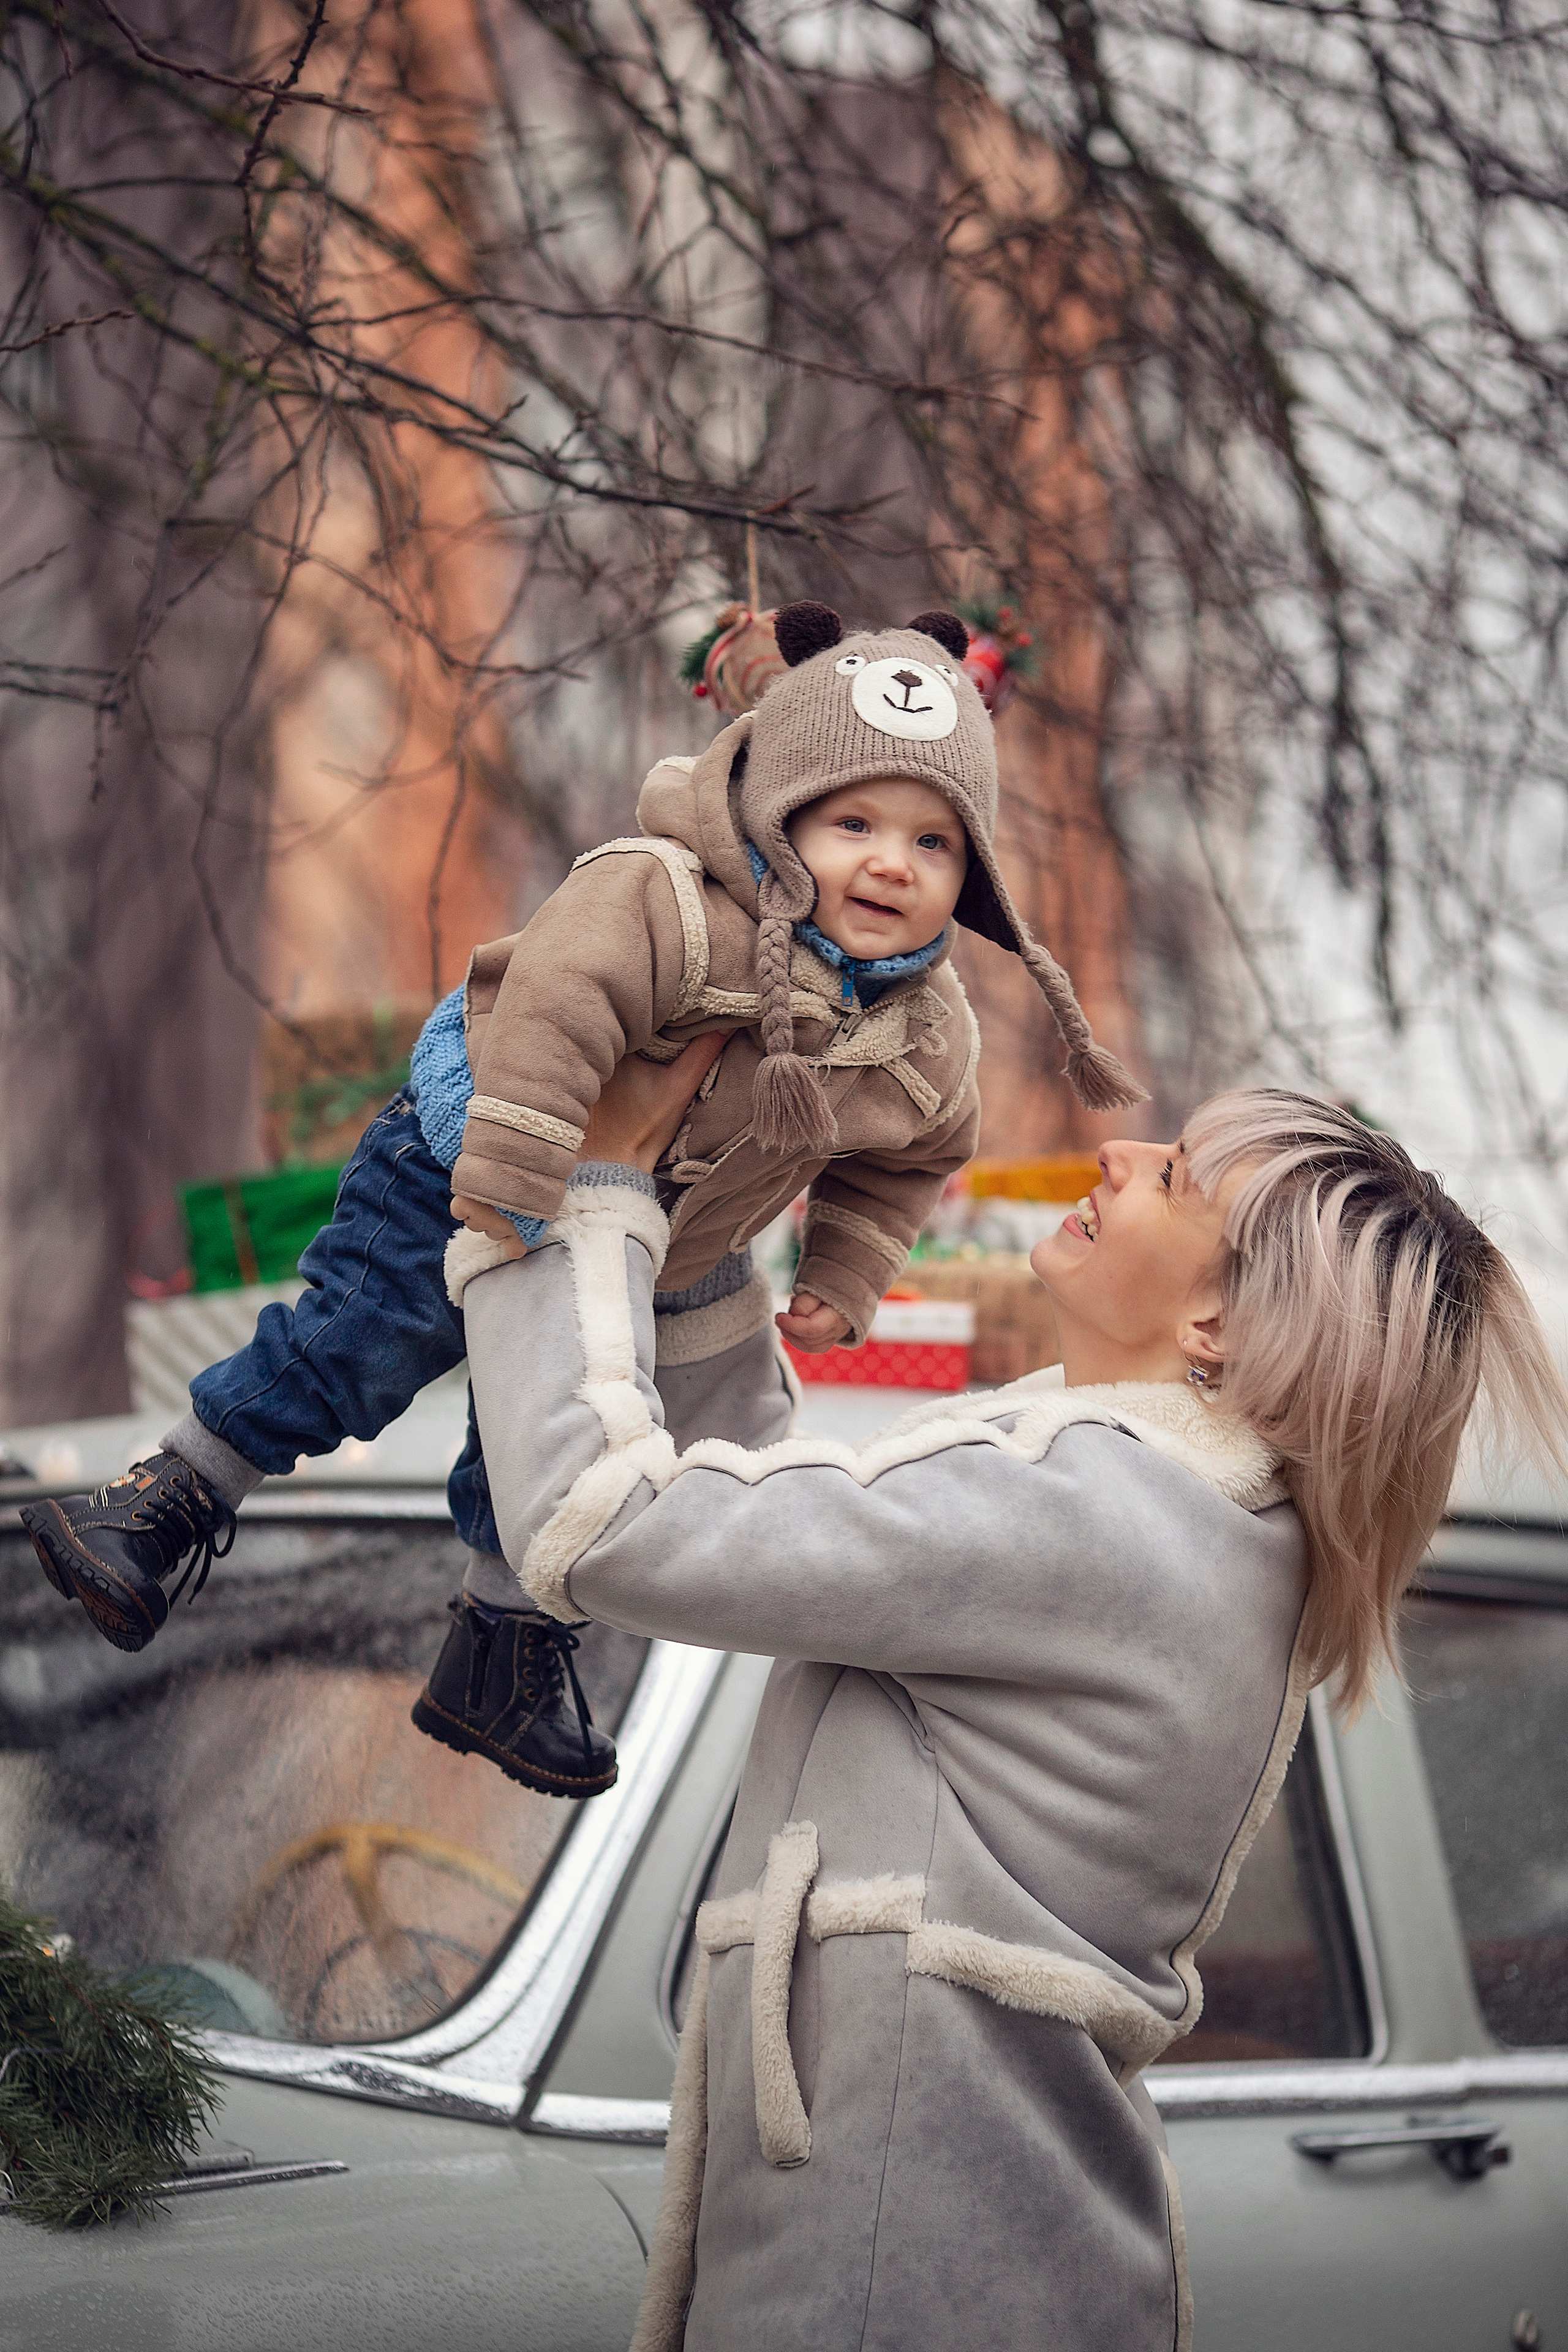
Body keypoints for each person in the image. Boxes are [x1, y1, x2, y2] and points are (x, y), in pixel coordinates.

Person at [459, 1055, 1568, 2352]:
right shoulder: (1175, 1514)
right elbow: (766, 1515)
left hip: (897, 2255)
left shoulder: (1098, 1512)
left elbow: (604, 1530)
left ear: (1216, 1329)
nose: (1117, 1155)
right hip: (975, 2246)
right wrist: (696, 1244)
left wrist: (575, 1195)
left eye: (1180, 1178)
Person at [20, 599, 1142, 1801]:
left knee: (551, 1438)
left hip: (652, 1240)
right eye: (853, 821)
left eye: (932, 845)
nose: (888, 862)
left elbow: (912, 1154)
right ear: (775, 807)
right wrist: (508, 1177)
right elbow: (556, 1003)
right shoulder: (667, 898)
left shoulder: (922, 1033)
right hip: (477, 1159)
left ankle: (500, 1653)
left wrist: (841, 1270)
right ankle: (165, 1500)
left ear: (969, 878)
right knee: (361, 1344)